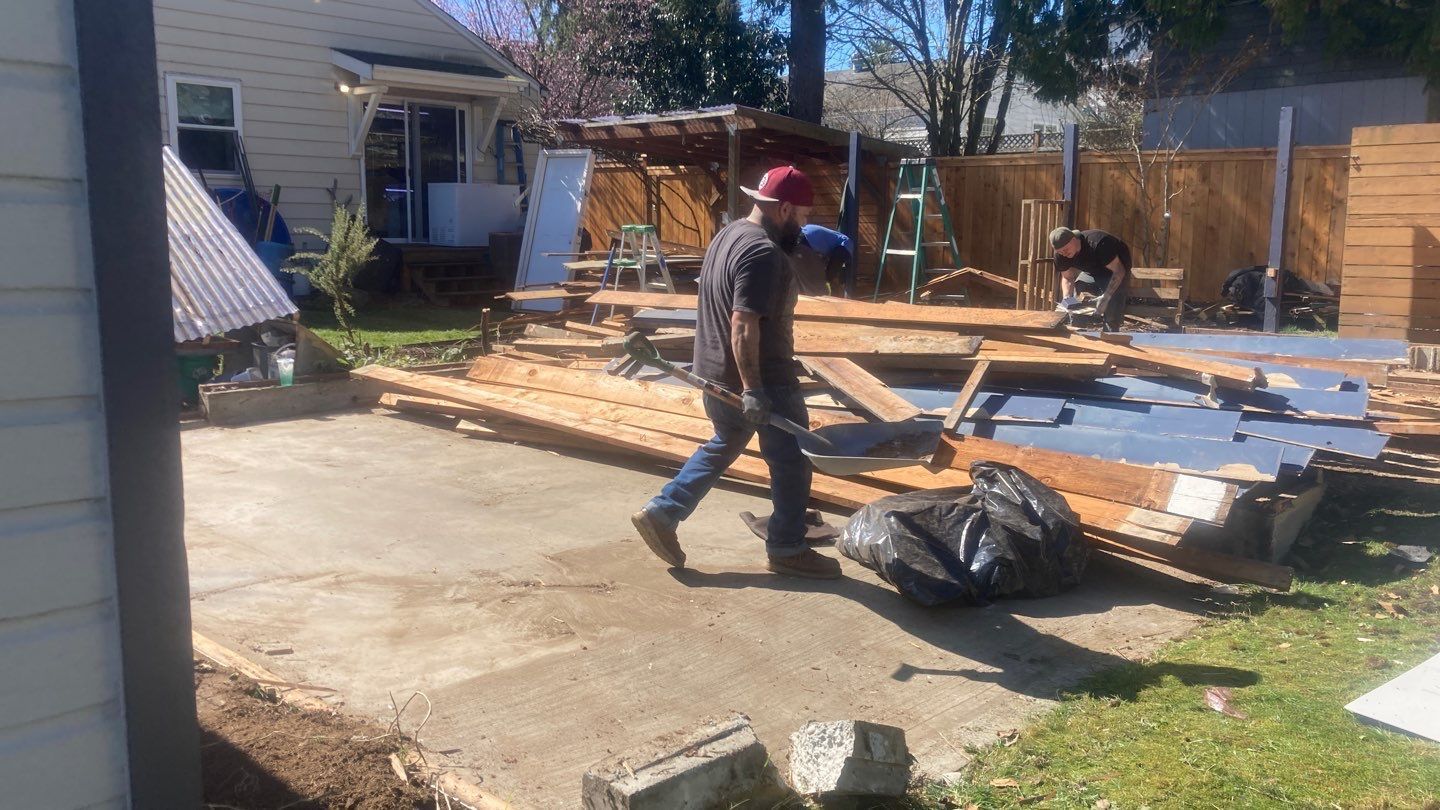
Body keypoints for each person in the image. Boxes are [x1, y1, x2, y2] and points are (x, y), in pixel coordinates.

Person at [630, 166, 842, 579]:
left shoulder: (727, 235)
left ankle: (663, 512)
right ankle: (787, 548)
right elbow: (743, 324)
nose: (802, 227)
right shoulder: (763, 253)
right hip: (763, 380)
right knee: (793, 462)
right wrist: (755, 390)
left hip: (714, 371)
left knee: (725, 442)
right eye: (801, 216)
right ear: (783, 209)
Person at [1050, 227, 1132, 330]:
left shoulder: (1099, 243)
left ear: (1074, 239)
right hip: (1092, 269)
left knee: (1111, 302)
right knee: (1079, 289)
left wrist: (1106, 297)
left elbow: (1119, 271)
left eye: (1066, 249)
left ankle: (1110, 334)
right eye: (1060, 252)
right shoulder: (1060, 255)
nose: (1064, 254)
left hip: (1117, 269)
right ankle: (1079, 331)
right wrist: (1067, 298)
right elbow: (1067, 277)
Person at [790, 224, 853, 295]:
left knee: (802, 282)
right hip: (806, 242)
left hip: (800, 235)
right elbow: (835, 262)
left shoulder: (835, 239)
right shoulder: (848, 244)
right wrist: (829, 278)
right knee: (816, 287)